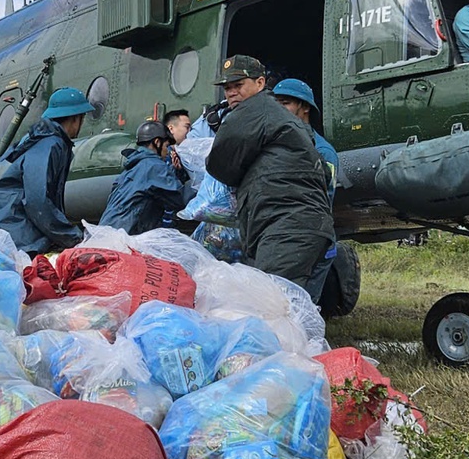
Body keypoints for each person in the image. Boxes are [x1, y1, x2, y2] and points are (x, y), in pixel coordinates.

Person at [205, 55, 336, 293]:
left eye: (238, 85)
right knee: (285, 306)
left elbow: (219, 165)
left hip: (286, 226)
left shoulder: (251, 111)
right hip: (297, 227)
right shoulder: (282, 117)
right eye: (227, 88)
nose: (232, 93)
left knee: (270, 305)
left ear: (260, 83)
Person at [0, 87, 94, 254]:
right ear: (76, 118)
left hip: (16, 231)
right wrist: (73, 237)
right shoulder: (50, 144)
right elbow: (37, 200)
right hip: (19, 236)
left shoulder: (49, 141)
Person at [270, 77, 342, 303]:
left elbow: (322, 204)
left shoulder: (323, 152)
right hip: (282, 242)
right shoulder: (273, 145)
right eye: (276, 104)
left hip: (312, 245)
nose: (279, 109)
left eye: (286, 103)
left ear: (305, 107)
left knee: (302, 310)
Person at [98, 120, 193, 235]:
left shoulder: (133, 167)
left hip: (106, 234)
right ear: (157, 142)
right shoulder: (153, 166)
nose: (167, 152)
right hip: (125, 238)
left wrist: (177, 172)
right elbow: (180, 197)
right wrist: (205, 181)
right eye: (166, 146)